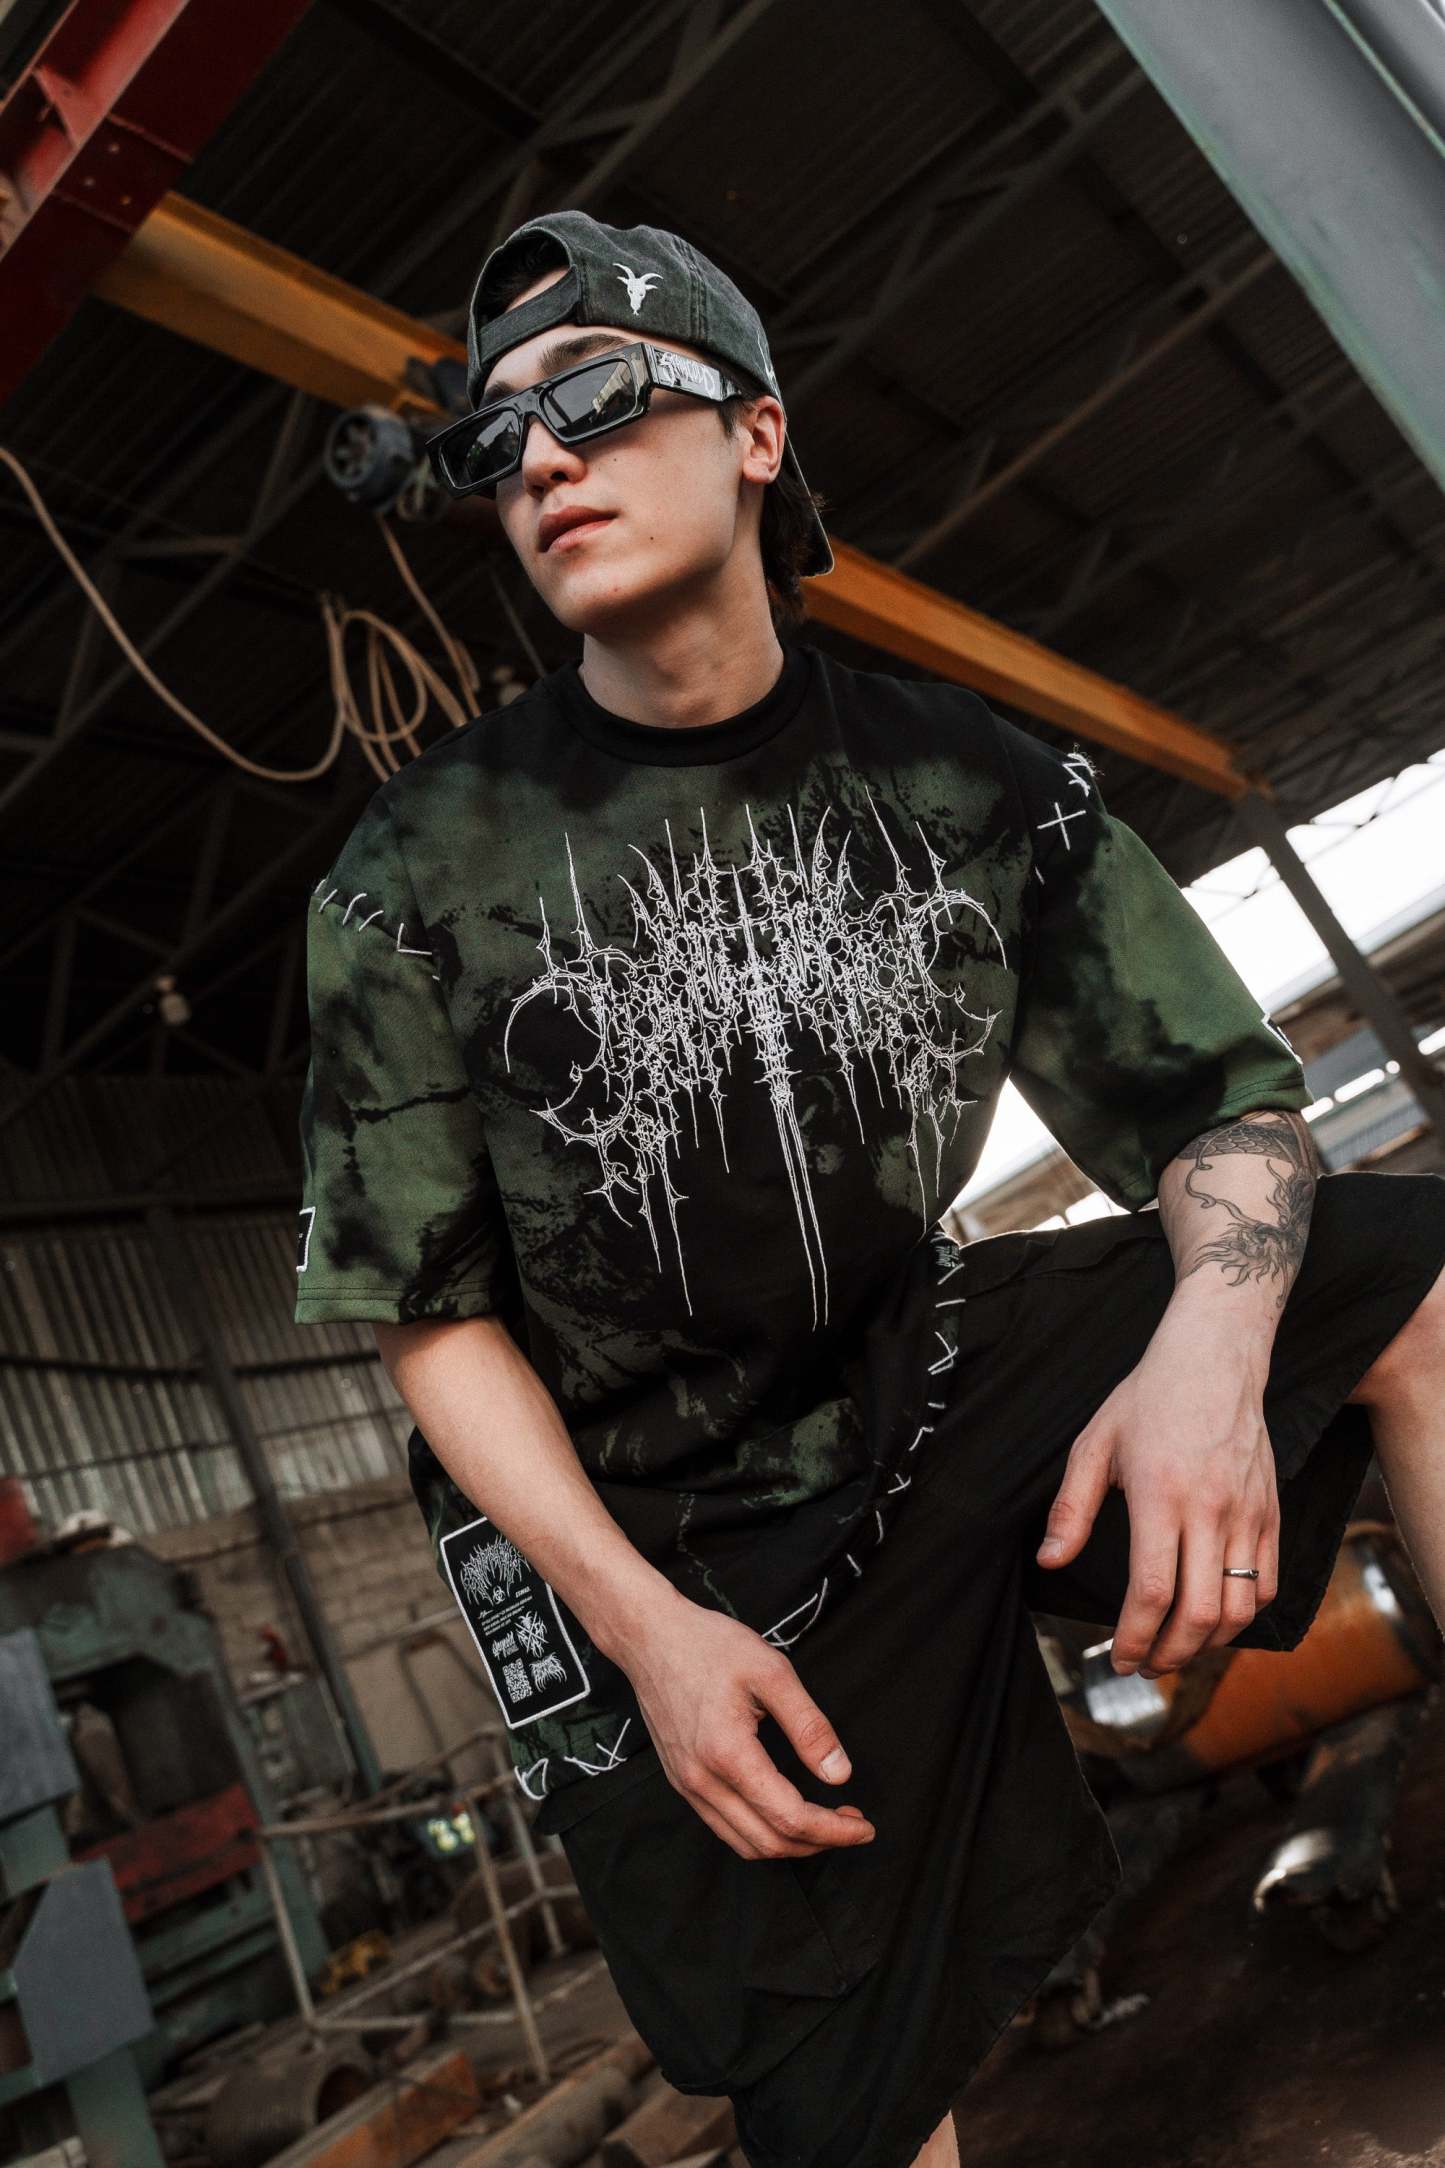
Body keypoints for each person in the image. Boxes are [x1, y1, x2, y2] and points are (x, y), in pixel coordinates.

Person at [294, 209, 1445, 2168]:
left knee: (1415, 1279)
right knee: (856, 2111)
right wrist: (641, 1633)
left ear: (756, 431)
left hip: (930, 1383)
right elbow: (428, 1316)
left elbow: (1224, 1107)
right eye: (496, 441)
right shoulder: (414, 874)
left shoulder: (970, 785)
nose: (542, 459)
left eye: (596, 396)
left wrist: (1207, 1342)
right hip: (666, 1544)